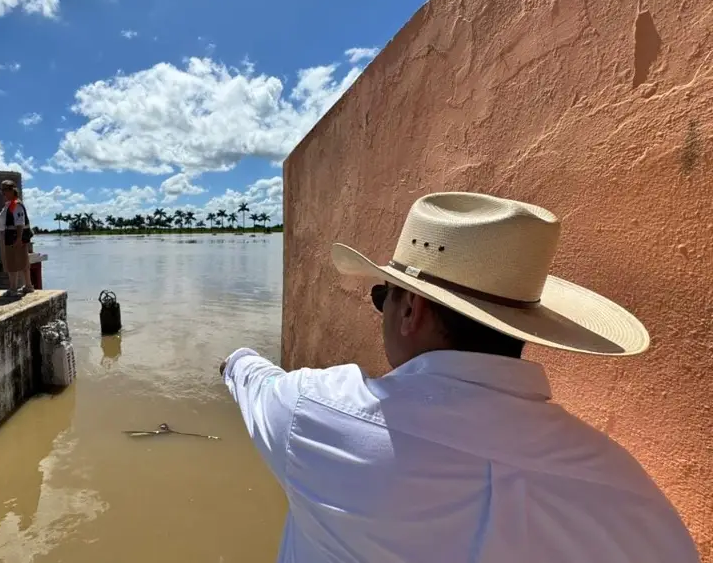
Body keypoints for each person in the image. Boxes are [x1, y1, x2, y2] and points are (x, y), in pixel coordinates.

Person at [221, 192, 699, 563]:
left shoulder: (318, 414)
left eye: (383, 296)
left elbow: (256, 383)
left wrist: (233, 358)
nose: (382, 309)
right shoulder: (628, 491)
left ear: (411, 309)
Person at [0, 179, 34, 297]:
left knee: (13, 262)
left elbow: (20, 223)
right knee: (22, 261)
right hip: (11, 235)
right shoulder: (10, 204)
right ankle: (28, 286)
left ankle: (13, 288)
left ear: (12, 190)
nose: (3, 193)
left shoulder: (15, 205)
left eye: (5, 190)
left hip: (14, 237)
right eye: (2, 190)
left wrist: (19, 238)